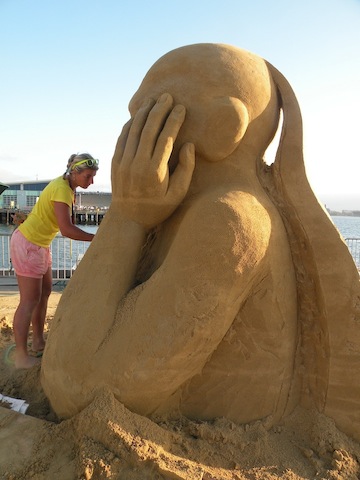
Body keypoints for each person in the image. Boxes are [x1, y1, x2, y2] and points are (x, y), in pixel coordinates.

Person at [10, 153, 98, 369]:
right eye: (88, 176)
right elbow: (67, 230)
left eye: (93, 176)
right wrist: (97, 239)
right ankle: (21, 356)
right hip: (28, 244)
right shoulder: (61, 189)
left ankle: (38, 342)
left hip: (40, 245)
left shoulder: (67, 187)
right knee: (28, 301)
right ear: (75, 173)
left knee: (44, 294)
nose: (92, 181)